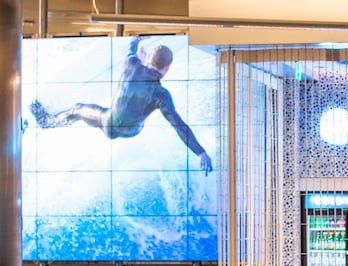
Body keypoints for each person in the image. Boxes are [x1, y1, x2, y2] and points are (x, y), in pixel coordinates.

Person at [29, 36, 213, 175]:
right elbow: (179, 125)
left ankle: (47, 122)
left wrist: (136, 40)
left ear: (147, 58)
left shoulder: (132, 65)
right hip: (132, 131)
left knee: (77, 109)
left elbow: (130, 50)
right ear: (168, 67)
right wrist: (201, 153)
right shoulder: (162, 95)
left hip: (108, 122)